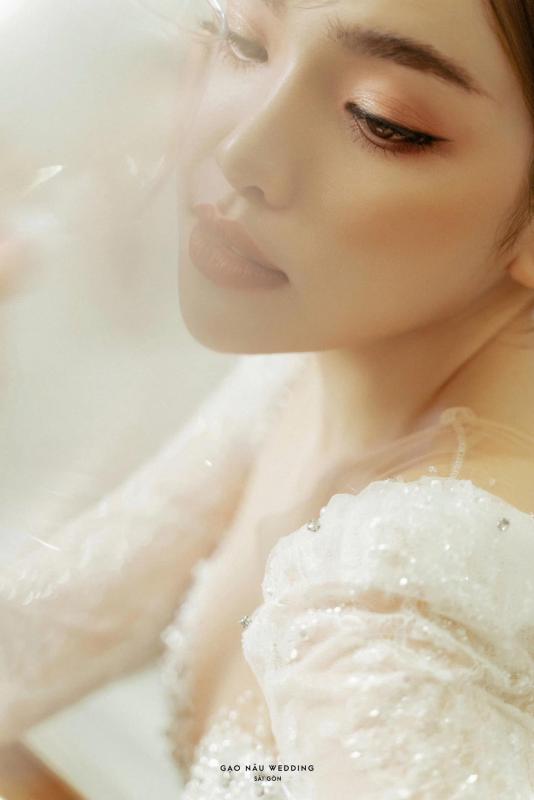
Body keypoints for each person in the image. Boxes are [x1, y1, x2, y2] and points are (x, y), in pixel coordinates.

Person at [2, 0, 534, 797]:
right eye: (245, 40)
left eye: (380, 120)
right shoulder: (315, 375)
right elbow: (47, 631)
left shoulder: (404, 606)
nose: (237, 148)